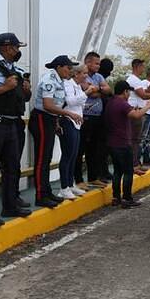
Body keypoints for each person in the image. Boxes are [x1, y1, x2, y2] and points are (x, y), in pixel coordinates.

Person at [0, 33, 33, 224]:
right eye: (17, 48)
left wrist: (25, 90)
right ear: (8, 48)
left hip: (12, 123)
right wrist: (5, 87)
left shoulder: (14, 69)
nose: (18, 51)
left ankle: (10, 206)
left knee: (12, 166)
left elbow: (22, 98)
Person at [29, 55, 80, 208]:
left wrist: (57, 120)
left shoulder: (60, 81)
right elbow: (48, 105)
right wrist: (69, 113)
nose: (70, 70)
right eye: (68, 67)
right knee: (42, 159)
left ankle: (47, 192)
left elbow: (56, 105)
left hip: (50, 119)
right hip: (41, 118)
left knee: (47, 158)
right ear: (58, 67)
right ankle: (40, 195)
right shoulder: (49, 80)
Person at [104, 80, 150, 208]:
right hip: (123, 143)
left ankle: (116, 197)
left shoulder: (111, 102)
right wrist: (147, 106)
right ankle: (127, 198)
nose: (129, 94)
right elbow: (136, 115)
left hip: (111, 143)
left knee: (117, 171)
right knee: (128, 171)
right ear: (125, 92)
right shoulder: (122, 103)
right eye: (128, 92)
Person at [75, 51, 111, 191]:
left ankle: (93, 177)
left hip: (97, 117)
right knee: (80, 149)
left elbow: (107, 90)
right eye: (96, 63)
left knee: (94, 149)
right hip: (85, 117)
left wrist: (97, 89)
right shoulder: (81, 75)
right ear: (88, 62)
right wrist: (97, 90)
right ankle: (78, 179)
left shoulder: (99, 76)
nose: (98, 66)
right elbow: (87, 90)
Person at [59, 63, 88, 199]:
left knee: (74, 155)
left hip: (77, 123)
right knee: (67, 154)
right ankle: (64, 186)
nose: (86, 76)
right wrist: (86, 93)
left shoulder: (77, 86)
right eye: (84, 73)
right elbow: (70, 101)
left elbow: (80, 103)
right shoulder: (68, 84)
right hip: (68, 121)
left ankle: (70, 184)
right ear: (76, 74)